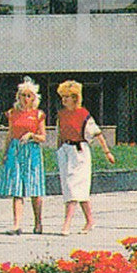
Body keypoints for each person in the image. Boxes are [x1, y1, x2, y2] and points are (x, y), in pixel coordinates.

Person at [55, 79, 116, 234]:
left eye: (67, 96)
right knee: (76, 189)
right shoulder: (61, 115)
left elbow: (97, 134)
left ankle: (66, 224)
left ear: (75, 98)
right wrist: (59, 151)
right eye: (63, 96)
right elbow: (60, 134)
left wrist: (107, 152)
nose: (64, 100)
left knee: (73, 187)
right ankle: (90, 221)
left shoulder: (84, 115)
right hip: (65, 151)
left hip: (80, 152)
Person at [0, 77, 47, 233]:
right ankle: (17, 224)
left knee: (35, 188)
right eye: (22, 95)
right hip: (16, 150)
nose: (25, 99)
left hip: (32, 152)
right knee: (16, 188)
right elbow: (10, 134)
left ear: (34, 97)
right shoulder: (13, 113)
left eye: (29, 96)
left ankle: (38, 223)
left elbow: (43, 137)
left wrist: (32, 135)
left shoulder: (38, 114)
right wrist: (5, 153)